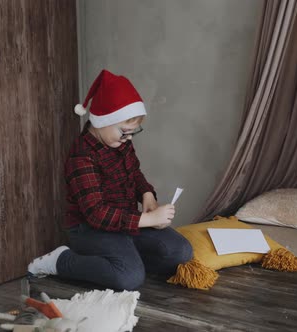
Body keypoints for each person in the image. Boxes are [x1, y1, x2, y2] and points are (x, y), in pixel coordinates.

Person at [27, 69, 193, 290]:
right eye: (124, 132)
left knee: (180, 251)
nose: (129, 138)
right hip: (90, 230)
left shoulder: (121, 143)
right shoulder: (82, 156)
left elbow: (134, 173)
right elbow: (96, 214)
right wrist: (148, 221)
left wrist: (147, 195)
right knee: (129, 279)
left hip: (125, 223)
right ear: (102, 122)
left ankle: (125, 260)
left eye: (134, 132)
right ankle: (61, 261)